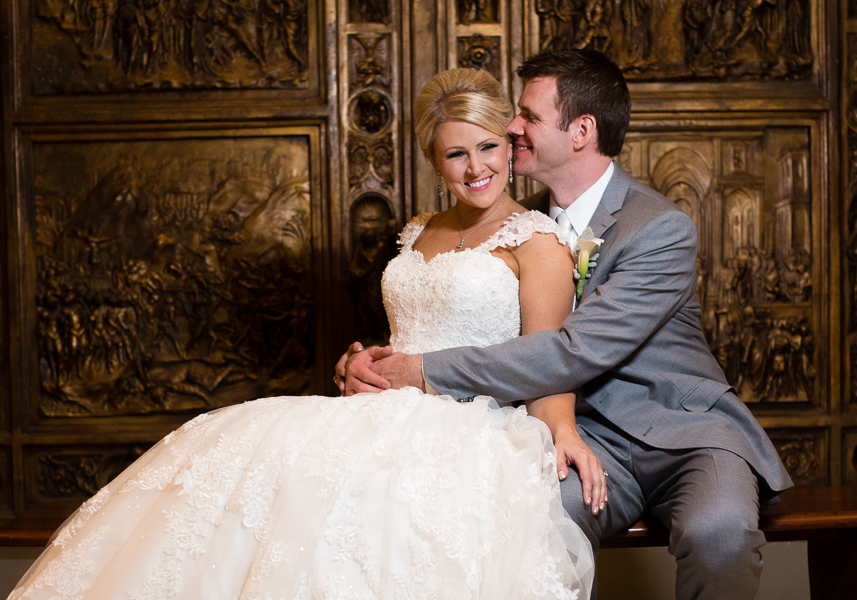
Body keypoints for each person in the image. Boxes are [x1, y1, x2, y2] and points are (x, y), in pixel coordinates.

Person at [8, 69, 596, 600]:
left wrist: (562, 431)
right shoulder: (419, 230)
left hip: (468, 428)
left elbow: (548, 361)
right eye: (456, 154)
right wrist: (357, 360)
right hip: (374, 413)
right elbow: (410, 329)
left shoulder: (535, 240)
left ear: (511, 146)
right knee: (246, 468)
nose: (476, 169)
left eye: (489, 147)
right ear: (433, 162)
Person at [340, 49, 794, 600]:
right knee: (523, 524)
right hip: (575, 436)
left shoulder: (659, 227)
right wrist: (374, 365)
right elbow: (462, 321)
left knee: (717, 532)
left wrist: (419, 370)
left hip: (682, 434)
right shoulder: (512, 219)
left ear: (581, 130)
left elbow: (572, 350)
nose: (511, 128)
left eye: (528, 116)